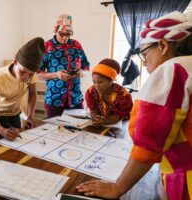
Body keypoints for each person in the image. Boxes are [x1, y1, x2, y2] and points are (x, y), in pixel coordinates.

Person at [76, 11, 192, 200]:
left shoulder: (173, 70)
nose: (145, 64)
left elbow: (148, 144)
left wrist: (116, 188)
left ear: (162, 45)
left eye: (145, 54)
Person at [0, 37, 46, 141]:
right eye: (22, 71)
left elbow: (32, 93)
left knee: (18, 145)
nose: (26, 77)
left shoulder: (30, 74)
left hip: (16, 114)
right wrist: (1, 131)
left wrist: (30, 116)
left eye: (31, 74)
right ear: (15, 62)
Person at [37, 14, 90, 118]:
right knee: (54, 132)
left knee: (76, 131)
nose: (65, 37)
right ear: (55, 30)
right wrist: (56, 75)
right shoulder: (46, 46)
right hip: (54, 101)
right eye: (62, 34)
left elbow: (85, 67)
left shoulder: (76, 45)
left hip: (75, 100)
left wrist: (80, 73)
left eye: (68, 34)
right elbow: (38, 74)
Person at [85, 59, 133, 127]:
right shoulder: (90, 92)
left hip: (122, 124)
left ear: (111, 81)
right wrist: (95, 118)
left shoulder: (124, 96)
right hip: (102, 124)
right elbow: (93, 110)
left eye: (100, 82)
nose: (96, 85)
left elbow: (118, 117)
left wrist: (104, 121)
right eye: (94, 82)